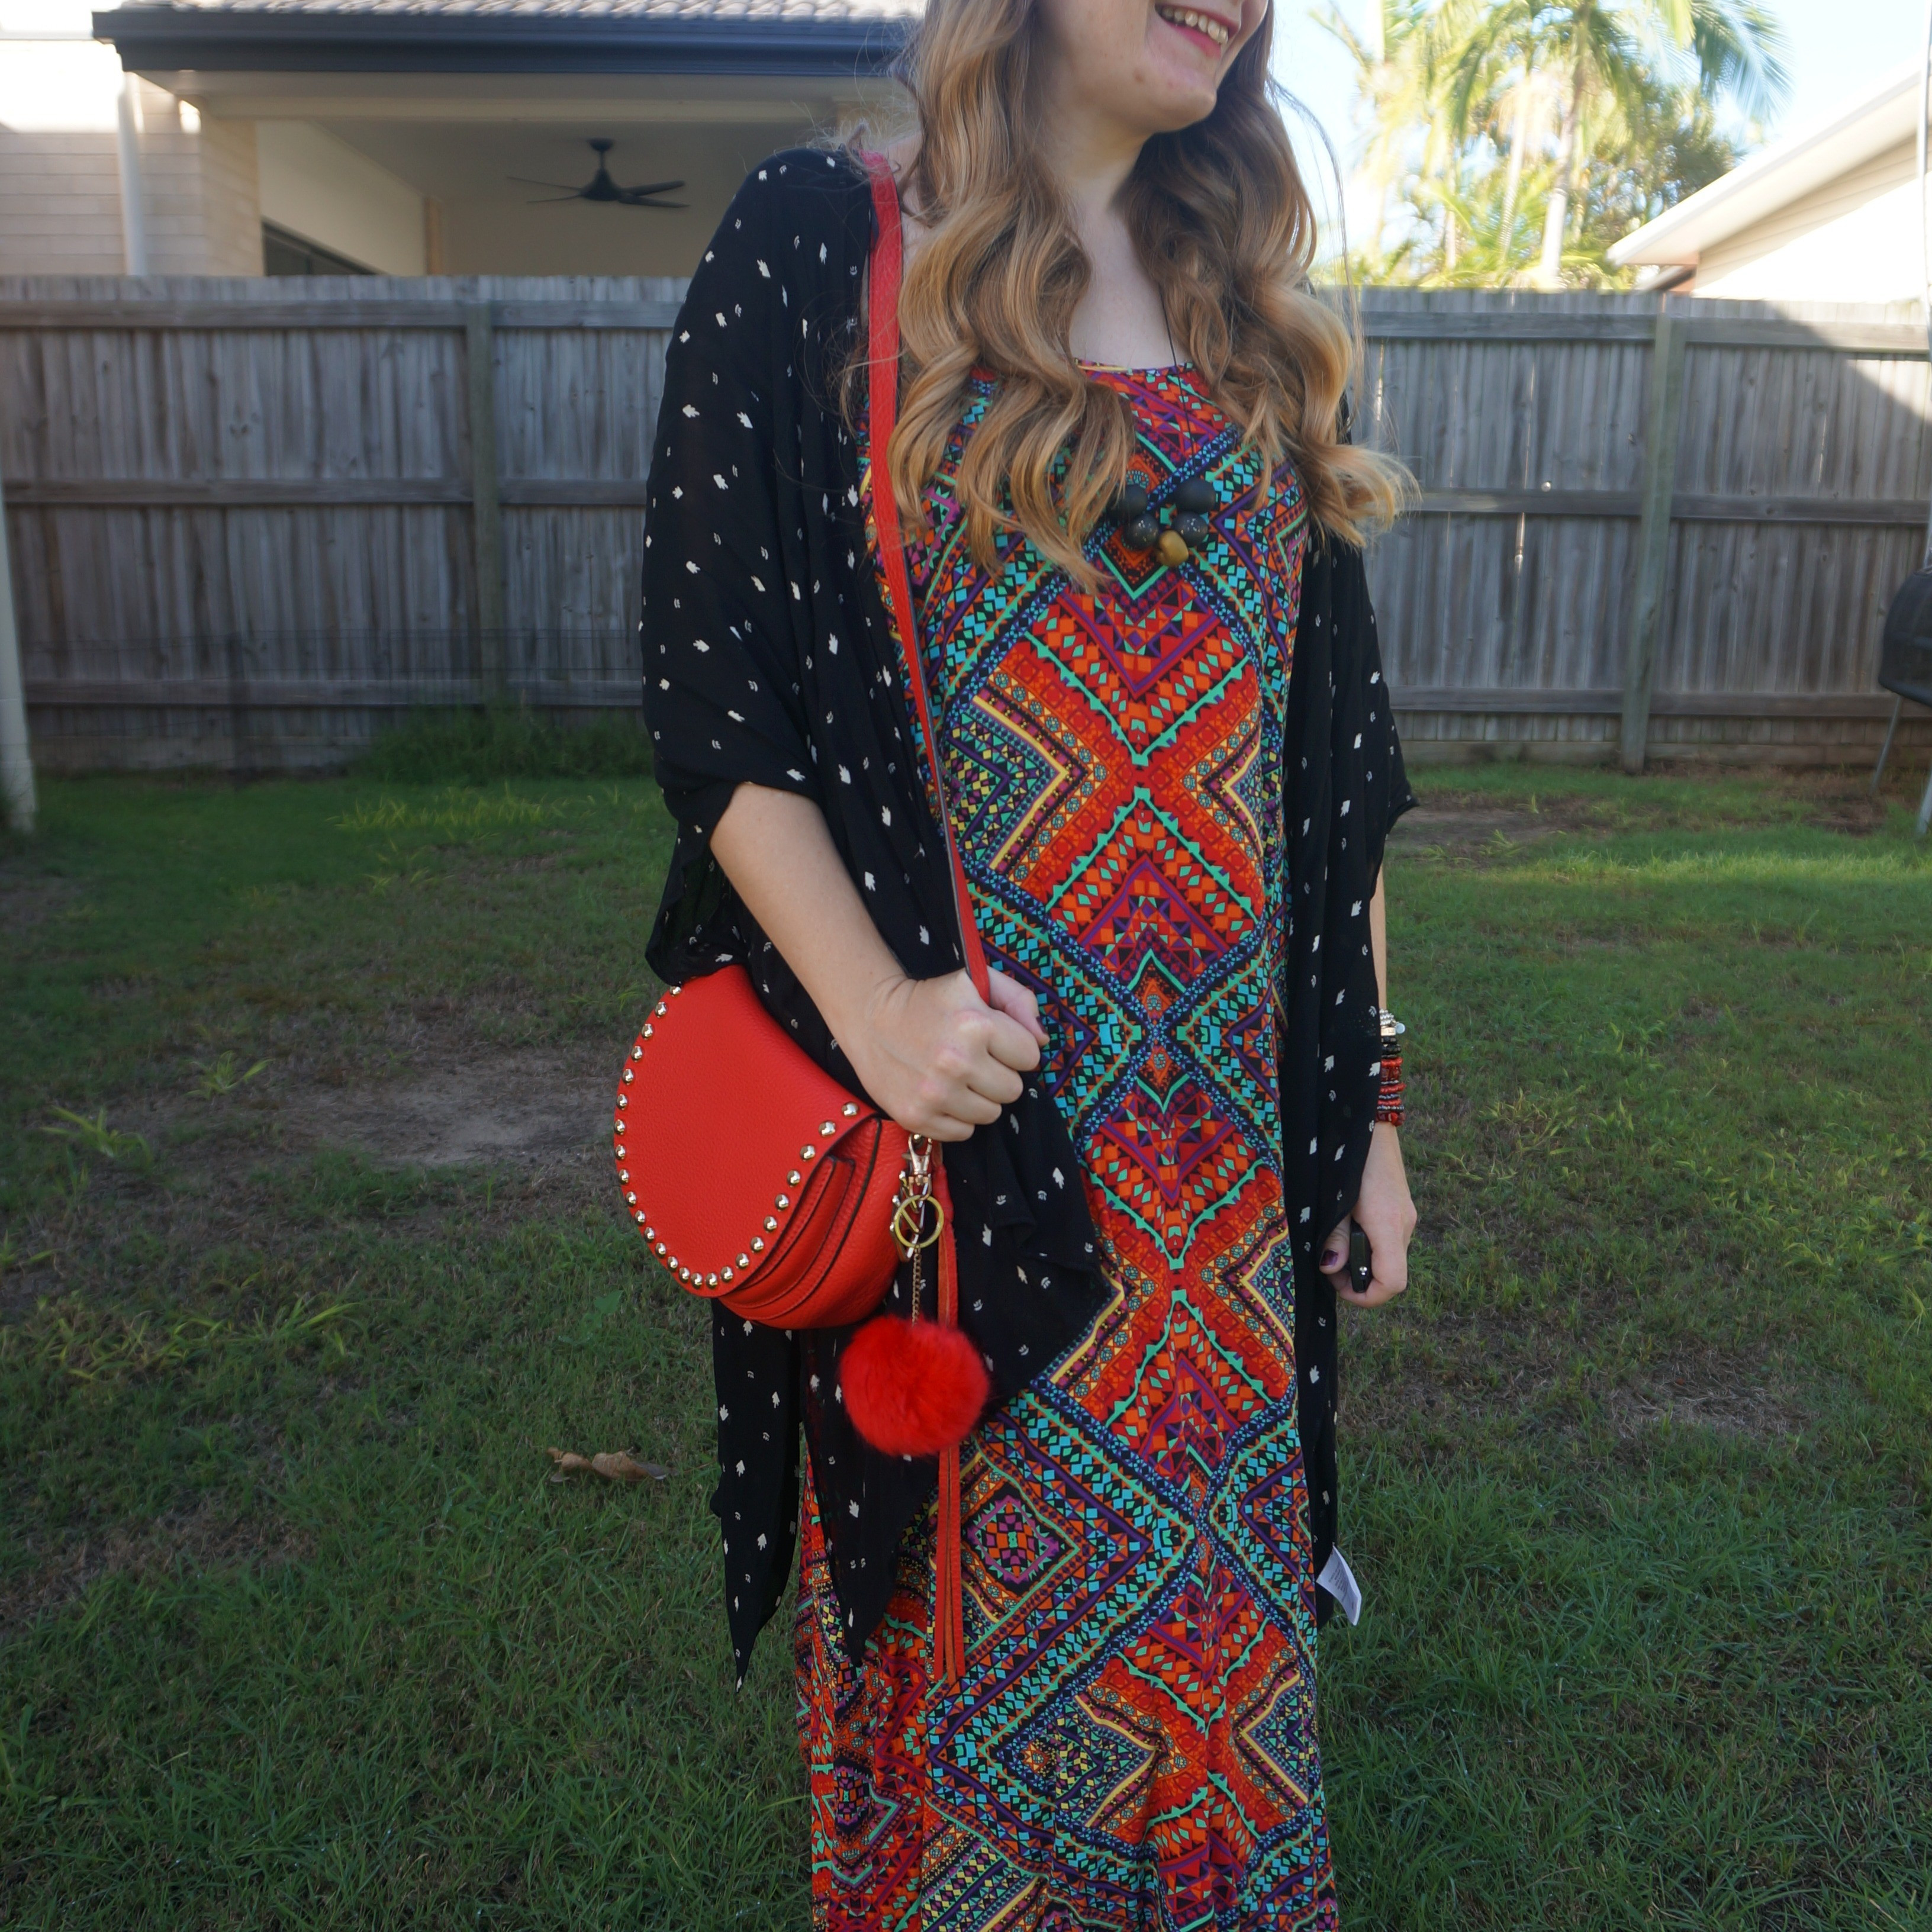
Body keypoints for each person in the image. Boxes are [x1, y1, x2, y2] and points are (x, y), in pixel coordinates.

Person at [639, 0, 1417, 1921]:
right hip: (978, 1168)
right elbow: (710, 695)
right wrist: (880, 1014)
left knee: (1218, 1651)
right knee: (980, 1641)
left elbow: (1337, 776)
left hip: (1223, 1180)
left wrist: (1374, 1105)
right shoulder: (828, 242)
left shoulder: (1245, 304)